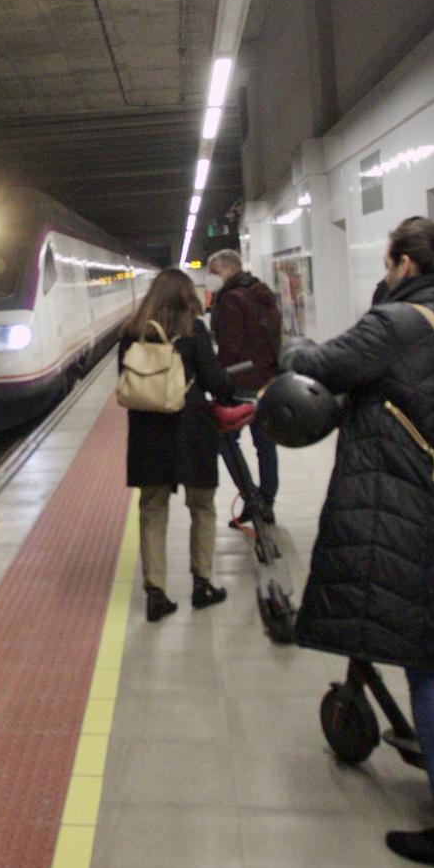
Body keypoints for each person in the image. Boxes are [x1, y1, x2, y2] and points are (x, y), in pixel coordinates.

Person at [282, 217, 434, 868]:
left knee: (429, 665)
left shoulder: (395, 325)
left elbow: (318, 365)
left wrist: (294, 343)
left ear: (400, 265)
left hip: (420, 513)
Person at [118, 269, 239, 622]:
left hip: (147, 431)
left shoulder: (131, 333)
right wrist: (230, 388)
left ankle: (156, 592)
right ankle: (202, 585)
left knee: (152, 509)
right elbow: (216, 380)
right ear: (187, 296)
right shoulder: (193, 330)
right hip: (192, 428)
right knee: (202, 507)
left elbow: (123, 381)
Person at [205, 248, 282, 507]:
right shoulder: (263, 293)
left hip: (240, 384)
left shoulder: (230, 300)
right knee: (266, 445)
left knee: (225, 441)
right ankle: (267, 500)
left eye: (214, 272)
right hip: (268, 381)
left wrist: (217, 378)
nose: (210, 277)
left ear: (229, 269)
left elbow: (230, 348)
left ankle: (252, 498)